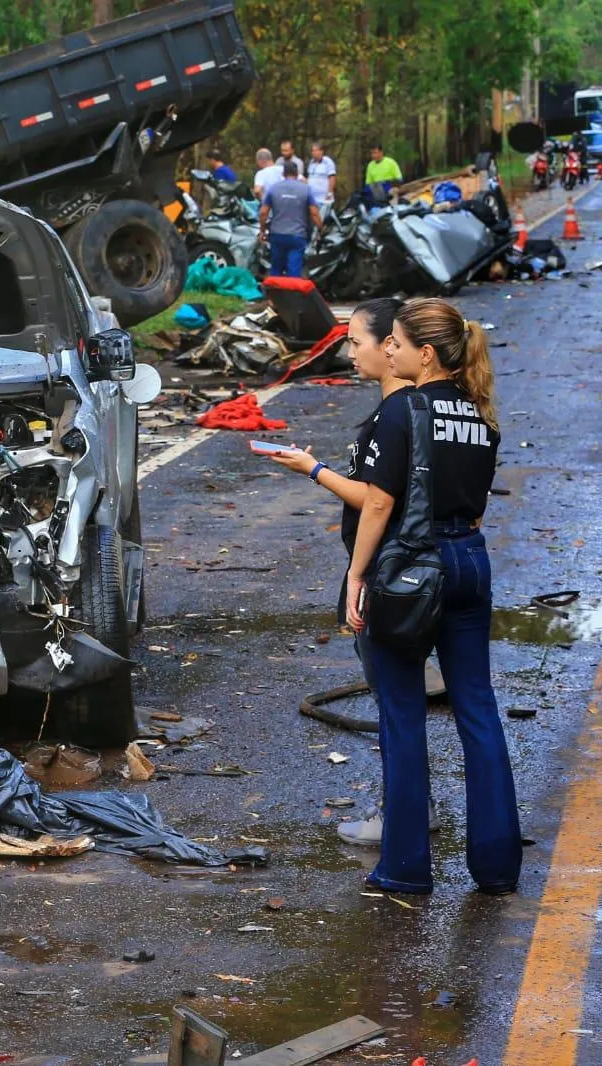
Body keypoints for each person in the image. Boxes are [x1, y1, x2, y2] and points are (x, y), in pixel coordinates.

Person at [346, 297, 520, 896]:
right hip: (472, 560)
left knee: (402, 715)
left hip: (411, 569)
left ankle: (406, 867)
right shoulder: (481, 414)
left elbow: (379, 502)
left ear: (426, 353)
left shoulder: (403, 410)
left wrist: (357, 576)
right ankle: (498, 868)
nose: (388, 351)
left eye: (395, 341)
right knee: (478, 710)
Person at [254, 298, 438, 846]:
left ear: (391, 346)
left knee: (394, 700)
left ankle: (403, 817)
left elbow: (377, 500)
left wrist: (313, 469)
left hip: (388, 570)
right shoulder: (411, 410)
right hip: (404, 567)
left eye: (356, 340)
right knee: (399, 699)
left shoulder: (398, 412)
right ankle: (410, 806)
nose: (348, 350)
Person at [258, 160, 320, 277]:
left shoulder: (274, 189)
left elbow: (263, 213)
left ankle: (275, 294)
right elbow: (314, 213)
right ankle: (291, 294)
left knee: (276, 268)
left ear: (283, 174)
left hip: (277, 235)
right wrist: (321, 228)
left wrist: (262, 231)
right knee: (294, 270)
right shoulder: (306, 189)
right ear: (297, 174)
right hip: (297, 236)